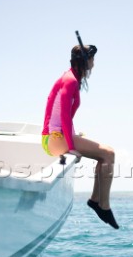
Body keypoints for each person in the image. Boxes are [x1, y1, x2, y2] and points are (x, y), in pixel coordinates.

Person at [42, 40, 119, 229]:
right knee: (108, 154)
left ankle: (95, 200)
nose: (94, 63)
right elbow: (64, 119)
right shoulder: (70, 81)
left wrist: (74, 136)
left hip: (57, 135)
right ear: (85, 61)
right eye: (92, 59)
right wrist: (71, 146)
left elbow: (62, 118)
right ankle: (104, 206)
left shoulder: (72, 78)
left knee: (105, 156)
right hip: (55, 139)